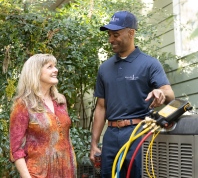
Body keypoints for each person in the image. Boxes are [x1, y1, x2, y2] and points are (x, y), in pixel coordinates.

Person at [90, 11, 175, 178]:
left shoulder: (149, 63)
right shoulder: (104, 68)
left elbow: (169, 93)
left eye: (115, 34)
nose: (111, 40)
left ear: (131, 33)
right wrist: (94, 143)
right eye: (109, 35)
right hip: (111, 136)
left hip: (138, 133)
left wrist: (160, 92)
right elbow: (101, 107)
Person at [9, 54, 77, 178]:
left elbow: (66, 139)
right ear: (35, 72)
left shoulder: (60, 100)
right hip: (38, 173)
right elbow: (16, 149)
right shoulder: (23, 104)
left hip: (65, 170)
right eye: (49, 67)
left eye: (55, 66)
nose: (55, 70)